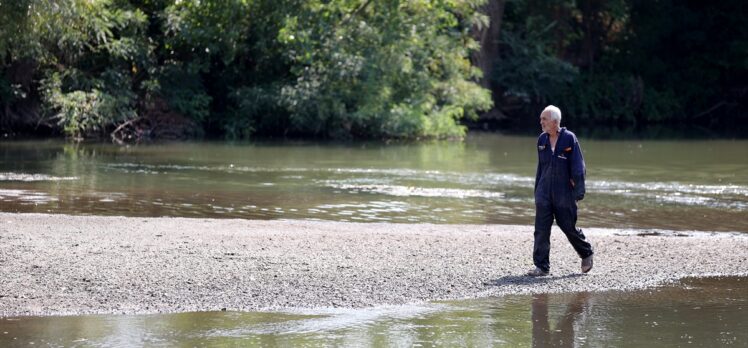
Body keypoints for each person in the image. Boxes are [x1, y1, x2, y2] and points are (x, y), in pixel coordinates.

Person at [528, 105, 593, 277]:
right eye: (541, 119)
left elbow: (579, 167)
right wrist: (537, 192)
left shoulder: (569, 139)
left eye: (544, 119)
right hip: (544, 193)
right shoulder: (541, 140)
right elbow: (540, 169)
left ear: (555, 122)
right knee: (541, 229)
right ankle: (541, 267)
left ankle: (586, 252)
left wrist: (578, 191)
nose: (541, 122)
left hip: (564, 193)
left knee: (568, 227)